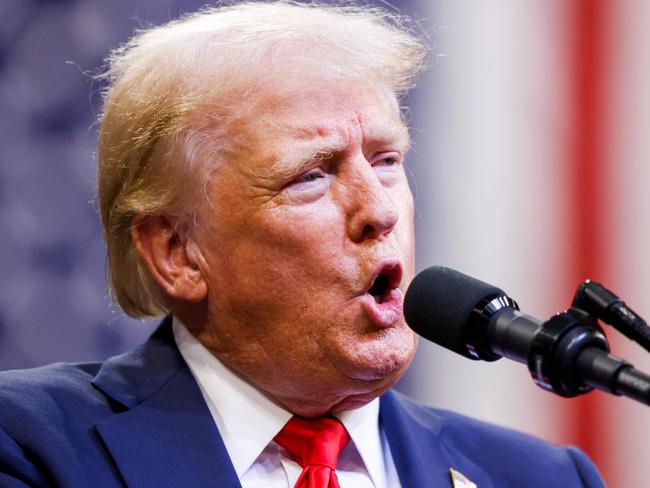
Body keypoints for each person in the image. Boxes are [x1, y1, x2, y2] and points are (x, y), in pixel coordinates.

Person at [0, 2, 604, 487]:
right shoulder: (32, 446)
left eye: (386, 160)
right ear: (177, 252)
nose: (379, 210)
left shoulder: (538, 476)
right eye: (311, 175)